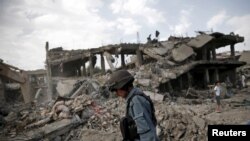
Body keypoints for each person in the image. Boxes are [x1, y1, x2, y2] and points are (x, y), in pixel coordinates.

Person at [106, 70, 159, 141]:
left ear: (123, 86)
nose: (116, 93)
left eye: (116, 90)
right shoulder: (133, 98)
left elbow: (146, 133)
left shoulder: (136, 101)